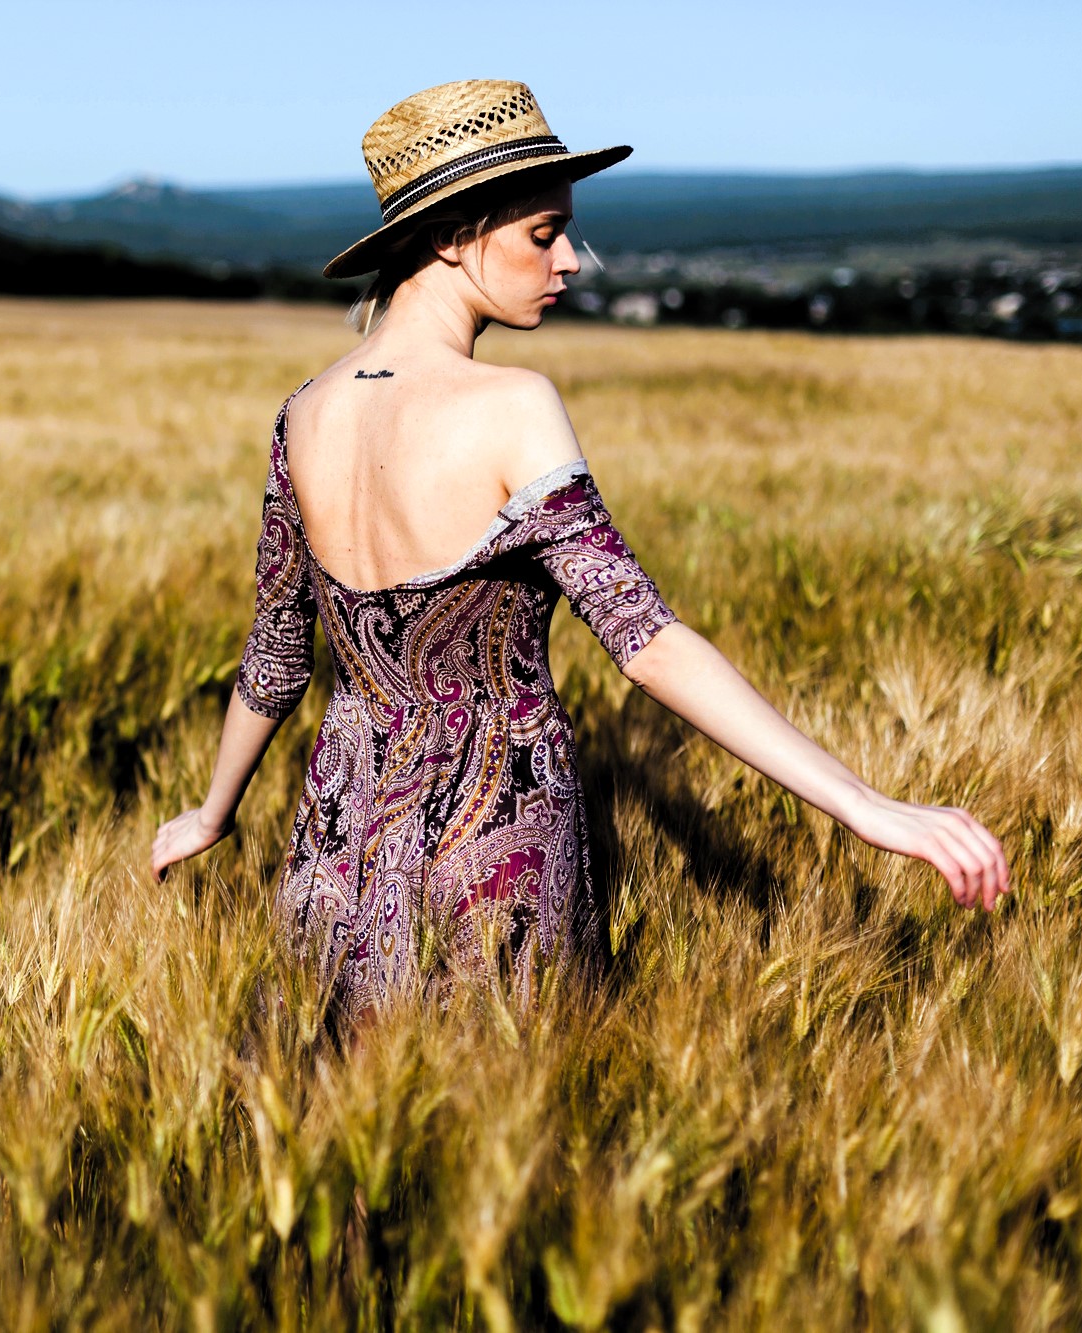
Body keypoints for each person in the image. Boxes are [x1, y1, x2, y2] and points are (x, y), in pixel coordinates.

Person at [148, 80, 1009, 1023]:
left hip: (334, 845)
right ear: (450, 237)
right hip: (497, 858)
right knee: (506, 1138)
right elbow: (646, 641)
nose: (570, 261)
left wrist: (213, 813)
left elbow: (275, 656)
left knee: (341, 1141)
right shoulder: (512, 405)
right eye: (543, 234)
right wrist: (863, 805)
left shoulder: (302, 411)